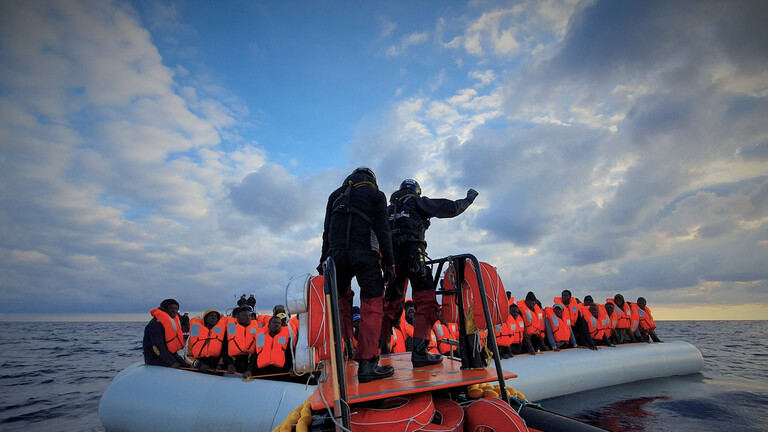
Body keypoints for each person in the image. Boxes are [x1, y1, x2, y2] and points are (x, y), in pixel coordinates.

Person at [382, 178, 478, 368]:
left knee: (389, 306)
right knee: (426, 303)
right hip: (414, 256)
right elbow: (450, 208)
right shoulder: (416, 202)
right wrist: (468, 200)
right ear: (415, 191)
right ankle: (420, 353)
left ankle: (381, 351)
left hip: (391, 261)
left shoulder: (387, 210)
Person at [318, 167, 396, 383]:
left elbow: (326, 232)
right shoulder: (376, 195)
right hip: (365, 254)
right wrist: (389, 263)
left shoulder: (335, 195)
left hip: (335, 256)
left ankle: (345, 350)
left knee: (341, 301)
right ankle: (368, 365)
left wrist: (323, 260)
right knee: (372, 305)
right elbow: (383, 230)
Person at [143, 299, 187, 368]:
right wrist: (172, 362)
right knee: (177, 364)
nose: (174, 311)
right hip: (153, 358)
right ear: (164, 309)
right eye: (171, 308)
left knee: (186, 365)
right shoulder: (155, 325)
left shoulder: (168, 323)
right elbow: (158, 347)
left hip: (168, 354)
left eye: (176, 309)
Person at [224, 307, 258, 378]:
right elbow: (224, 350)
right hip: (234, 365)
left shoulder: (257, 331)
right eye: (244, 315)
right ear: (237, 317)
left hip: (250, 365)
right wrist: (229, 365)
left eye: (249, 316)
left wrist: (250, 370)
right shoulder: (229, 330)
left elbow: (257, 352)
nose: (248, 317)